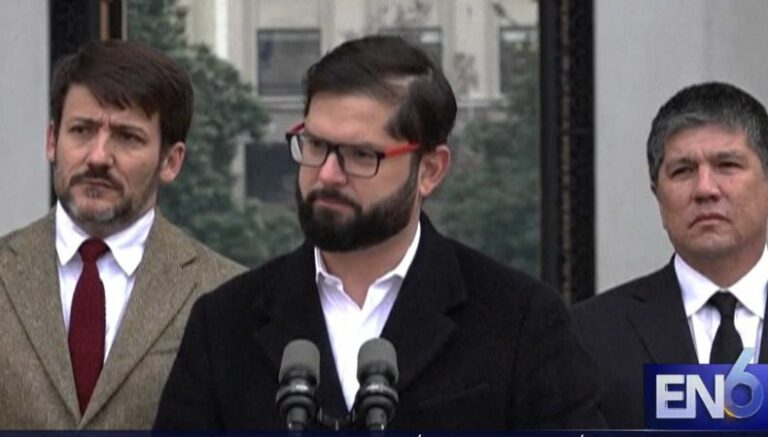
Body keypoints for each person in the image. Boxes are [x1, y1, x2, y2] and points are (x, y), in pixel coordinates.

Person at [154, 35, 604, 431]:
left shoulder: (520, 320)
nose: (327, 174)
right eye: (315, 145)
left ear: (430, 170)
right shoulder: (225, 323)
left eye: (361, 155)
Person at [0, 40, 245, 429]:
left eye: (127, 137)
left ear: (171, 161)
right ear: (52, 141)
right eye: (81, 130)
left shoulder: (227, 297)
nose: (98, 157)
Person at [573, 82, 768, 428]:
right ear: (657, 195)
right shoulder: (590, 334)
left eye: (727, 165)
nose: (705, 189)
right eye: (683, 171)